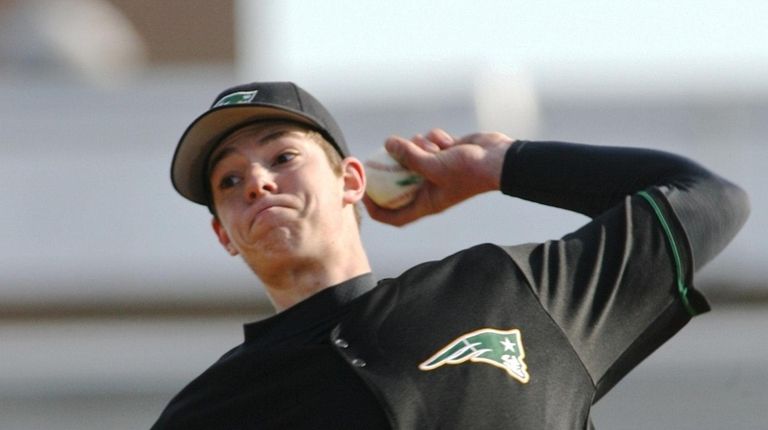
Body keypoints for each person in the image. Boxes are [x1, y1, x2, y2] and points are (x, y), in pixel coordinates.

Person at [152, 81, 749, 429]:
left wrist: (504, 165)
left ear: (351, 181)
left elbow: (711, 201)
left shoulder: (505, 291)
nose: (257, 182)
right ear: (224, 235)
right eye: (229, 182)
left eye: (282, 157)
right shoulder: (213, 411)